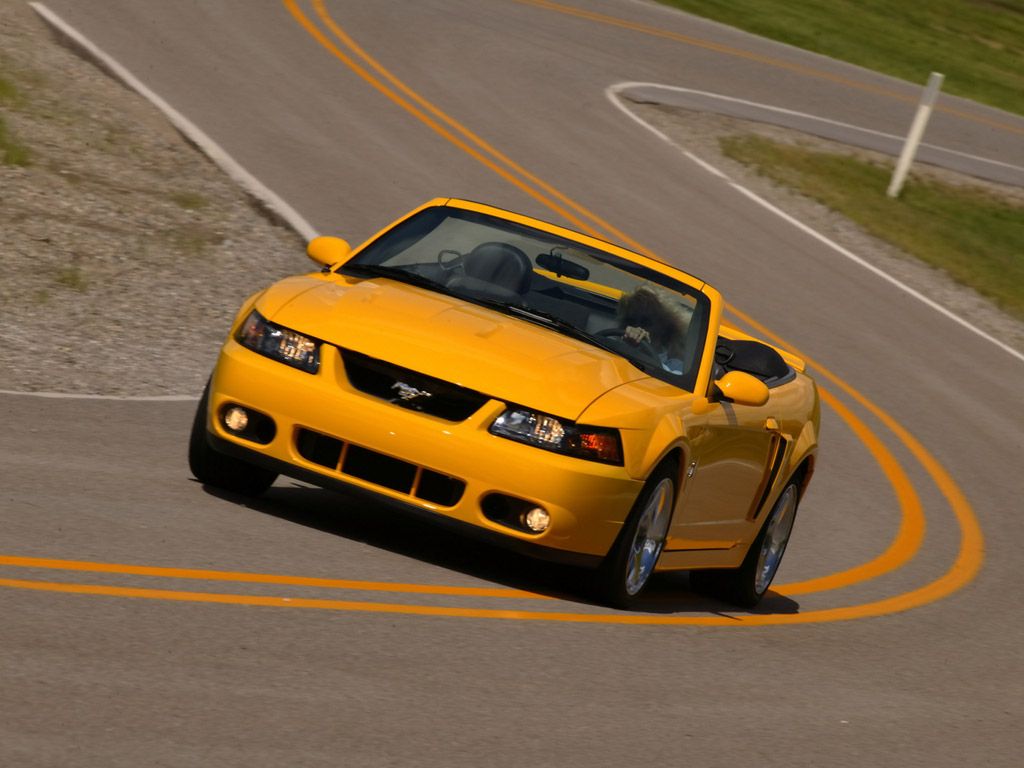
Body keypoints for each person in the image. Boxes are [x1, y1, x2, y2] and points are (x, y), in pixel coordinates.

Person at [617, 284, 691, 374]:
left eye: (646, 322)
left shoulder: (674, 366)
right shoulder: (610, 344)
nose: (638, 327)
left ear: (663, 328)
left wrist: (644, 353)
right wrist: (624, 347)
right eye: (631, 321)